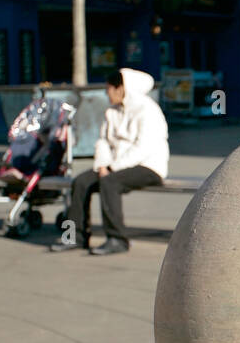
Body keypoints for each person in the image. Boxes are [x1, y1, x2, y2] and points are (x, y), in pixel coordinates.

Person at [50, 68, 169, 256]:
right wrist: (103, 165)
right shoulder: (111, 111)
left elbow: (143, 147)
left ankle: (117, 239)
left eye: (109, 89)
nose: (107, 93)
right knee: (80, 182)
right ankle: (74, 237)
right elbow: (103, 141)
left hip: (148, 166)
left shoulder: (148, 110)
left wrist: (112, 168)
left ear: (122, 88)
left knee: (109, 182)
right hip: (114, 167)